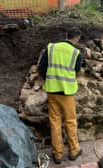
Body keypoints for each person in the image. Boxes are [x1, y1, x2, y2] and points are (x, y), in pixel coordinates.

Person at [38, 27, 83, 164]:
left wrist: (51, 80)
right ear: (77, 38)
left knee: (55, 122)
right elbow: (77, 72)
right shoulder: (76, 53)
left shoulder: (51, 48)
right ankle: (74, 151)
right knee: (70, 121)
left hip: (52, 91)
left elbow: (41, 68)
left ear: (66, 35)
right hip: (67, 93)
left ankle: (57, 155)